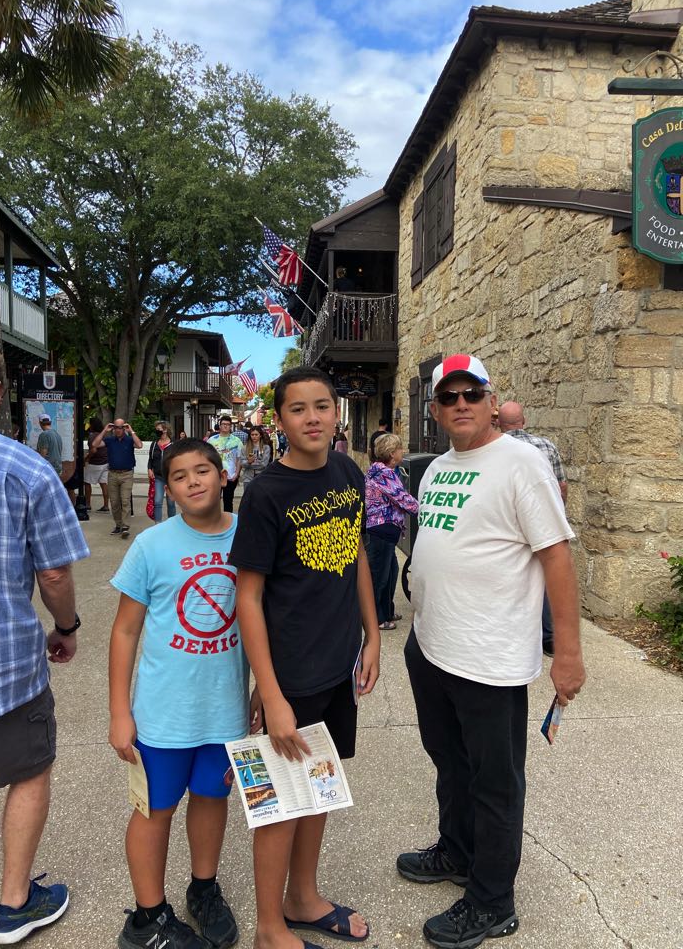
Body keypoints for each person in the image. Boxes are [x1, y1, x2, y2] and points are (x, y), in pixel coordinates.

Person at [398, 353, 585, 949]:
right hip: (432, 647)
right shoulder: (435, 468)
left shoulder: (520, 462)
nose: (460, 405)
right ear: (434, 409)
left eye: (470, 395)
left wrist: (569, 654)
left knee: (495, 782)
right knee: (449, 762)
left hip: (489, 657)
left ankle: (492, 900)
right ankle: (456, 850)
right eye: (448, 397)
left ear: (488, 399)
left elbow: (556, 555)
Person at [230, 365, 381, 949]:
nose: (313, 417)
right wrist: (270, 694)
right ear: (279, 420)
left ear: (336, 411)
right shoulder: (267, 492)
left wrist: (371, 635)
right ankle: (270, 927)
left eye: (323, 405)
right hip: (287, 672)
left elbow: (356, 556)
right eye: (299, 409)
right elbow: (248, 597)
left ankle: (303, 897)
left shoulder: (348, 471)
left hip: (336, 663)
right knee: (279, 803)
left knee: (320, 785)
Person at [109, 437, 261, 949]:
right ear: (168, 488)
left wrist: (263, 687)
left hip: (224, 709)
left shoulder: (251, 536)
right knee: (155, 807)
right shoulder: (153, 546)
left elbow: (268, 619)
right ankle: (148, 917)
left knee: (212, 797)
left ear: (226, 475)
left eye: (203, 470)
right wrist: (118, 711)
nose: (193, 481)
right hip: (162, 713)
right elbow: (125, 631)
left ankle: (204, 887)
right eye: (180, 475)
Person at [0, 340, 90, 945]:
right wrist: (65, 629)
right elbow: (55, 574)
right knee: (29, 770)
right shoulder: (24, 467)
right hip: (3, 658)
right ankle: (14, 903)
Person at [498, 401, 569, 658]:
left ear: (498, 423)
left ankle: (514, 635)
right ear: (524, 421)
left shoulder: (496, 450)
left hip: (510, 525)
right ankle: (549, 638)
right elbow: (561, 486)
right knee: (547, 578)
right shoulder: (546, 446)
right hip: (542, 523)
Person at [365, 433, 418, 630]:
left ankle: (387, 611)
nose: (402, 451)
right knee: (379, 577)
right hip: (380, 531)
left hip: (386, 532)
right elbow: (401, 498)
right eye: (399, 449)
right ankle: (377, 619)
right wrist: (425, 509)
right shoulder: (384, 474)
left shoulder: (384, 471)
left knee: (391, 573)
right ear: (391, 453)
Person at [90, 418, 143, 539]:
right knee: (114, 502)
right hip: (113, 474)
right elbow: (95, 444)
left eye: (121, 427)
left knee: (125, 500)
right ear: (113, 428)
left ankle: (125, 526)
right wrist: (104, 430)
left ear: (124, 428)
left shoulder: (129, 440)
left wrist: (132, 431)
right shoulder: (109, 440)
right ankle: (118, 525)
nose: (118, 430)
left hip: (126, 474)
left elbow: (139, 445)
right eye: (116, 427)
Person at [207, 416, 243, 513]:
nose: (226, 426)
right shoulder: (211, 440)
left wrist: (237, 473)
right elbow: (206, 458)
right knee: (213, 501)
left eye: (228, 425)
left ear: (230, 426)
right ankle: (214, 522)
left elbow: (239, 459)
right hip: (215, 475)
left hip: (230, 476)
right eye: (224, 424)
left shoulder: (236, 441)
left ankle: (228, 523)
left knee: (228, 501)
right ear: (220, 425)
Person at [147, 420, 176, 523]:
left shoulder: (173, 444)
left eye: (159, 429)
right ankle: (158, 525)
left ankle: (172, 524)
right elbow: (150, 459)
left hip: (171, 478)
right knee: (157, 501)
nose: (157, 431)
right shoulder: (154, 444)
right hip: (158, 477)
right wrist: (149, 469)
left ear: (165, 430)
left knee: (171, 502)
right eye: (156, 429)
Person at [84, 416, 109, 512]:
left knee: (87, 482)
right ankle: (106, 505)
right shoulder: (103, 435)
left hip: (95, 462)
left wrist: (86, 459)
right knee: (103, 484)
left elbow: (93, 450)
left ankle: (87, 504)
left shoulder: (92, 436)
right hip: (105, 462)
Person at [240, 426, 271, 491]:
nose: (254, 436)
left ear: (260, 435)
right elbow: (242, 463)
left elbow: (264, 464)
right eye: (252, 435)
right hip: (247, 478)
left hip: (261, 477)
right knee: (248, 498)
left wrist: (249, 464)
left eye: (256, 434)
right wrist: (248, 462)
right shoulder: (244, 448)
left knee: (260, 498)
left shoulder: (266, 447)